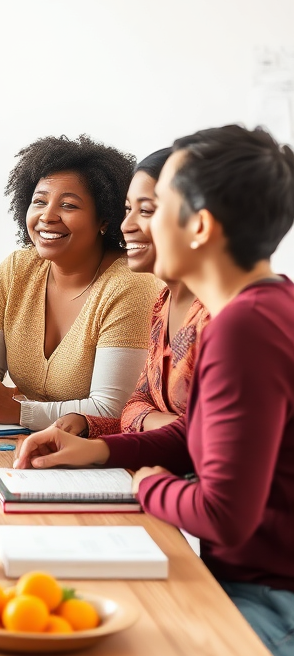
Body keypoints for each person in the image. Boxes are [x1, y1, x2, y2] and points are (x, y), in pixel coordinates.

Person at [17, 124, 294, 656]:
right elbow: (199, 440)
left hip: (272, 605)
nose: (134, 225)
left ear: (198, 226)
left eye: (155, 206)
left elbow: (224, 513)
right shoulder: (257, 310)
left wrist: (142, 483)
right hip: (249, 586)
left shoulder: (245, 327)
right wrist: (104, 451)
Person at [0, 134, 159, 430]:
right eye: (39, 201)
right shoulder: (16, 270)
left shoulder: (131, 285)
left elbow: (109, 410)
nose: (47, 215)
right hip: (27, 447)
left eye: (68, 205)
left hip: (100, 458)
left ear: (105, 220)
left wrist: (17, 411)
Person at [57, 148, 210, 439]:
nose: (126, 225)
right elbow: (132, 407)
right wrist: (87, 423)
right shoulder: (162, 304)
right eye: (128, 209)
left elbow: (209, 437)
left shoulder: (218, 316)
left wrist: (169, 428)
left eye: (147, 210)